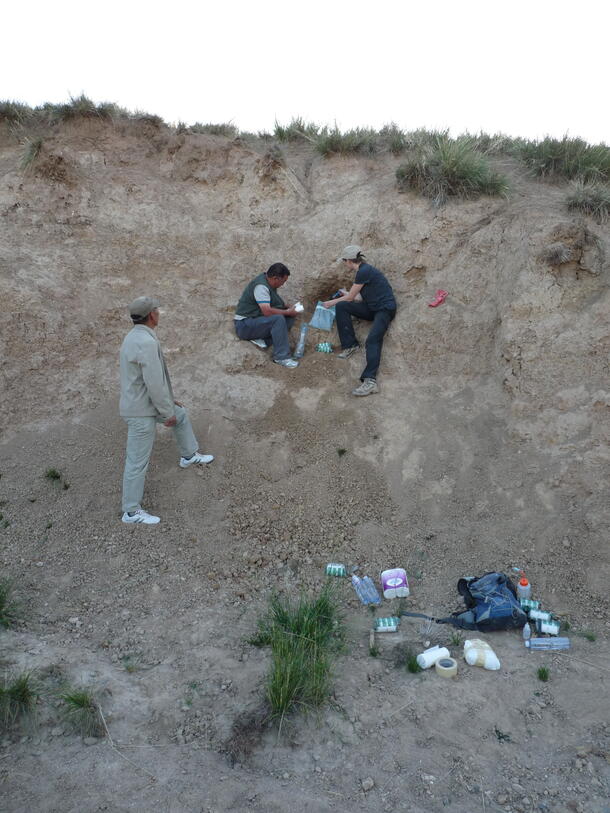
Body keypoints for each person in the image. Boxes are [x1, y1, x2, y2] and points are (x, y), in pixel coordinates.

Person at [119, 296, 214, 525]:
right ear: (151, 315)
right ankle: (131, 512)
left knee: (180, 415)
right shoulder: (146, 342)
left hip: (143, 403)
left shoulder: (134, 337)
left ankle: (189, 455)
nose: (159, 313)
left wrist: (170, 403)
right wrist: (166, 409)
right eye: (157, 310)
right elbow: (153, 381)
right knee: (136, 462)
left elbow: (149, 381)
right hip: (141, 411)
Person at [322, 246, 396, 396]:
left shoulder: (364, 271)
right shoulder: (362, 271)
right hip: (372, 308)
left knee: (372, 340)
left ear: (349, 261)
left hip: (384, 309)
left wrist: (332, 302)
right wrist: (345, 295)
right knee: (343, 306)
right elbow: (357, 298)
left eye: (345, 261)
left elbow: (351, 298)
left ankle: (370, 381)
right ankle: (350, 345)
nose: (345, 264)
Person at [234, 263, 299, 368]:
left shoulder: (268, 282)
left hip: (254, 321)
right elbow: (267, 312)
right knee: (278, 319)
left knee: (288, 318)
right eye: (283, 281)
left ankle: (263, 340)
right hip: (244, 325)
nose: (283, 284)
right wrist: (287, 311)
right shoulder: (261, 286)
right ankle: (281, 358)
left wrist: (288, 308)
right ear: (275, 278)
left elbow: (271, 303)